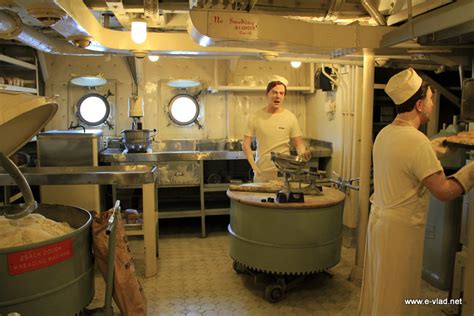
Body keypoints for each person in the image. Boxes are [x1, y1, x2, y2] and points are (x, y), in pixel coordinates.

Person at [359, 67, 473, 315]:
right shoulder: (416, 141)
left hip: (380, 225)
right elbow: (443, 191)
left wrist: (434, 147)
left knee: (382, 289)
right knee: (397, 297)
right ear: (419, 105)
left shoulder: (385, 134)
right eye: (431, 98)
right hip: (400, 232)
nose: (433, 103)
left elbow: (406, 161)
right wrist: (471, 171)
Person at [243, 75, 311, 182]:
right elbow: (246, 144)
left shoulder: (290, 117)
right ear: (267, 94)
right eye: (274, 92)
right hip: (262, 173)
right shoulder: (255, 117)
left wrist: (302, 154)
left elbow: (298, 144)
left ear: (284, 96)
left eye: (281, 93)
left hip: (284, 174)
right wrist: (254, 166)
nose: (277, 96)